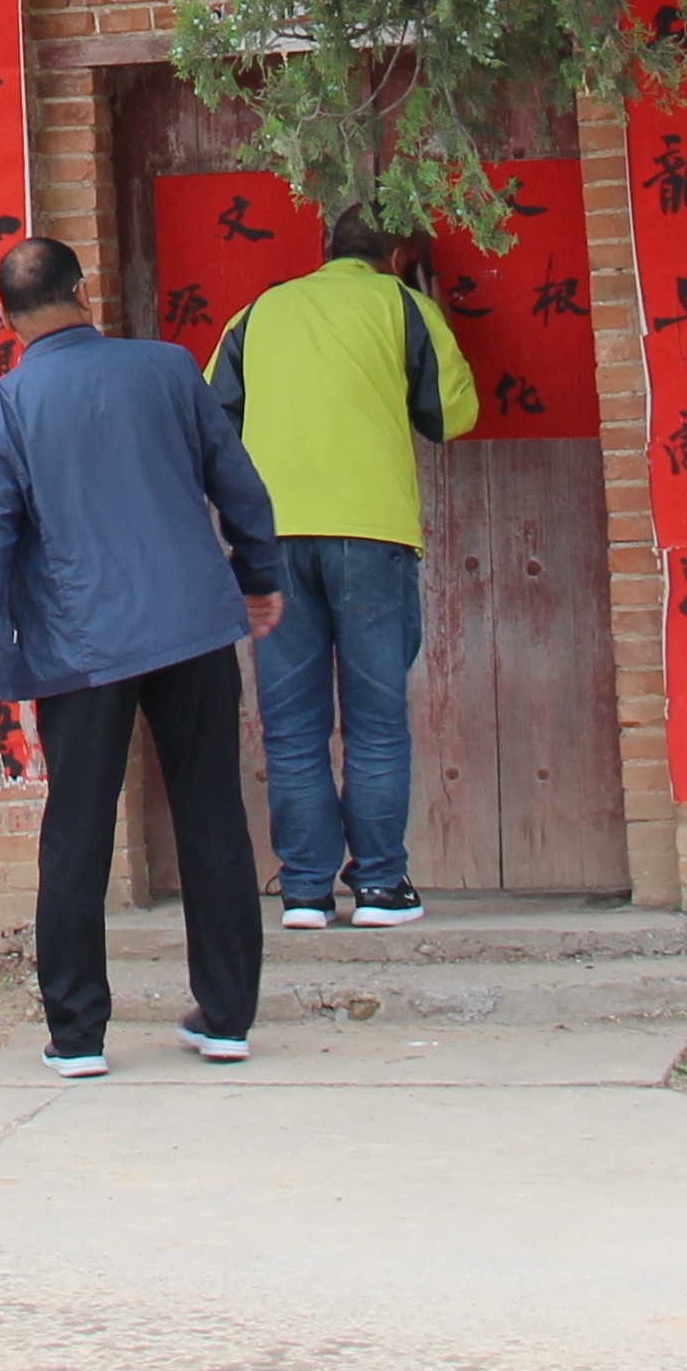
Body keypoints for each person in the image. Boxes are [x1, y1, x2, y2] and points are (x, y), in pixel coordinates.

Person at [0, 232, 283, 1076]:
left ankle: (78, 1035)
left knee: (77, 835)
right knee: (212, 818)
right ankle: (227, 1018)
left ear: (8, 318)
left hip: (80, 646)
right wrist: (260, 573)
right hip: (192, 626)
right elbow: (237, 480)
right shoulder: (169, 370)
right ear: (83, 291)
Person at [209, 223, 478, 928]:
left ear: (325, 249)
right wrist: (428, 305)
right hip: (371, 535)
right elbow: (453, 415)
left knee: (291, 725)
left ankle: (303, 890)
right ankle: (382, 888)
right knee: (376, 723)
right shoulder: (402, 304)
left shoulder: (259, 312)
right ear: (397, 259)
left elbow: (210, 421)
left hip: (273, 539)